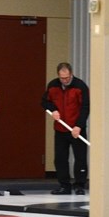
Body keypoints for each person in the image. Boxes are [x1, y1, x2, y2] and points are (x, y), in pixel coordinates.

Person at [41, 62, 90, 195]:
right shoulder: (53, 86)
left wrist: (79, 126)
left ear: (71, 74)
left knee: (80, 158)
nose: (65, 80)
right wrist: (53, 110)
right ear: (58, 76)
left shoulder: (80, 86)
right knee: (60, 158)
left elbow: (85, 107)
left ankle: (80, 185)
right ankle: (64, 185)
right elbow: (44, 102)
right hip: (60, 128)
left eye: (67, 77)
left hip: (76, 129)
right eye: (62, 78)